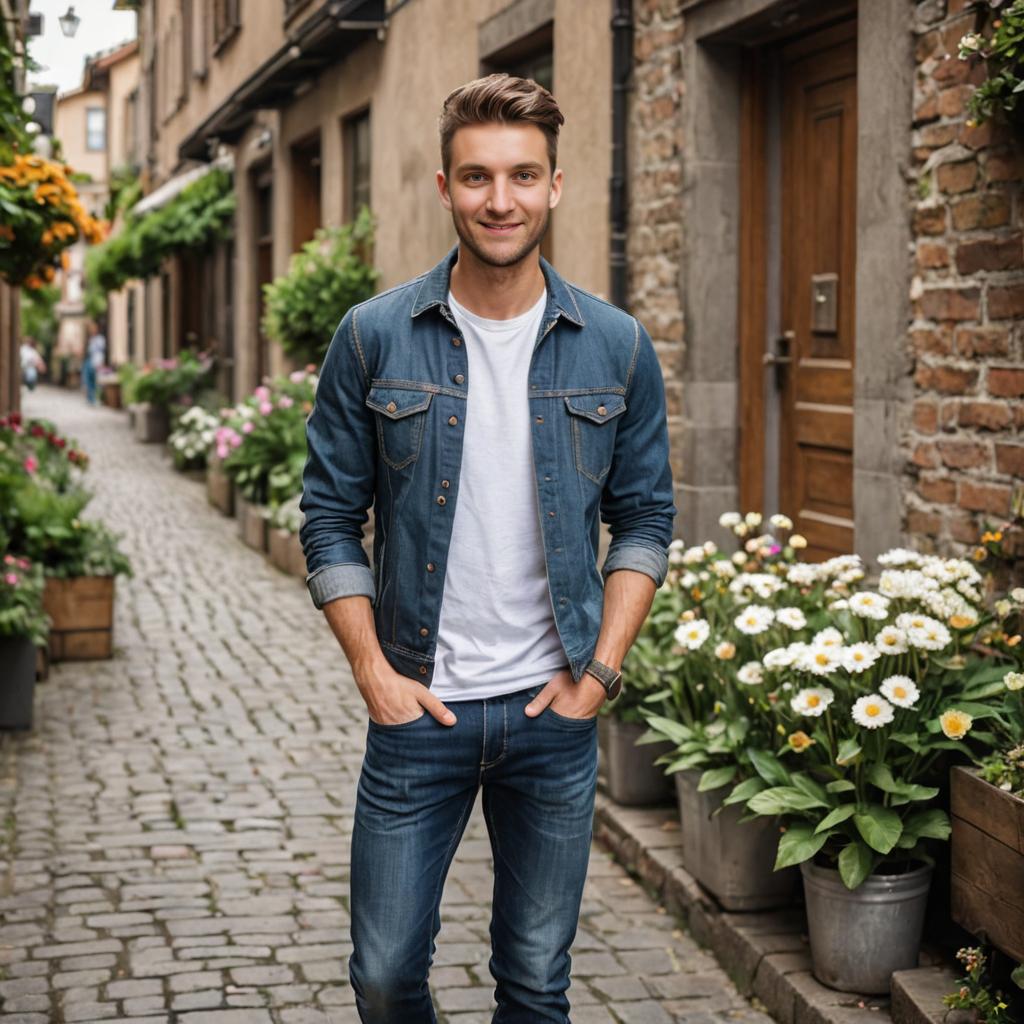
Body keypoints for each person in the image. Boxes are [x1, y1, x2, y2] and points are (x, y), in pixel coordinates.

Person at [300, 73, 675, 1022]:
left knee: (537, 984)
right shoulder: (374, 336)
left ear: (556, 186)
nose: (498, 200)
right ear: (443, 188)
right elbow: (329, 517)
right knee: (383, 978)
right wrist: (374, 675)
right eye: (476, 177)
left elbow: (645, 520)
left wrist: (600, 671)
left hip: (554, 718)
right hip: (418, 709)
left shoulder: (618, 348)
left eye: (520, 176)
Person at [83, 320, 106, 405]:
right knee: (87, 380)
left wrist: (99, 363)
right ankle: (90, 398)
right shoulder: (89, 339)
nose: (92, 330)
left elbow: (100, 352)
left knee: (96, 381)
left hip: (96, 361)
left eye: (93, 328)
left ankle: (95, 398)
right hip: (88, 360)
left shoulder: (100, 339)